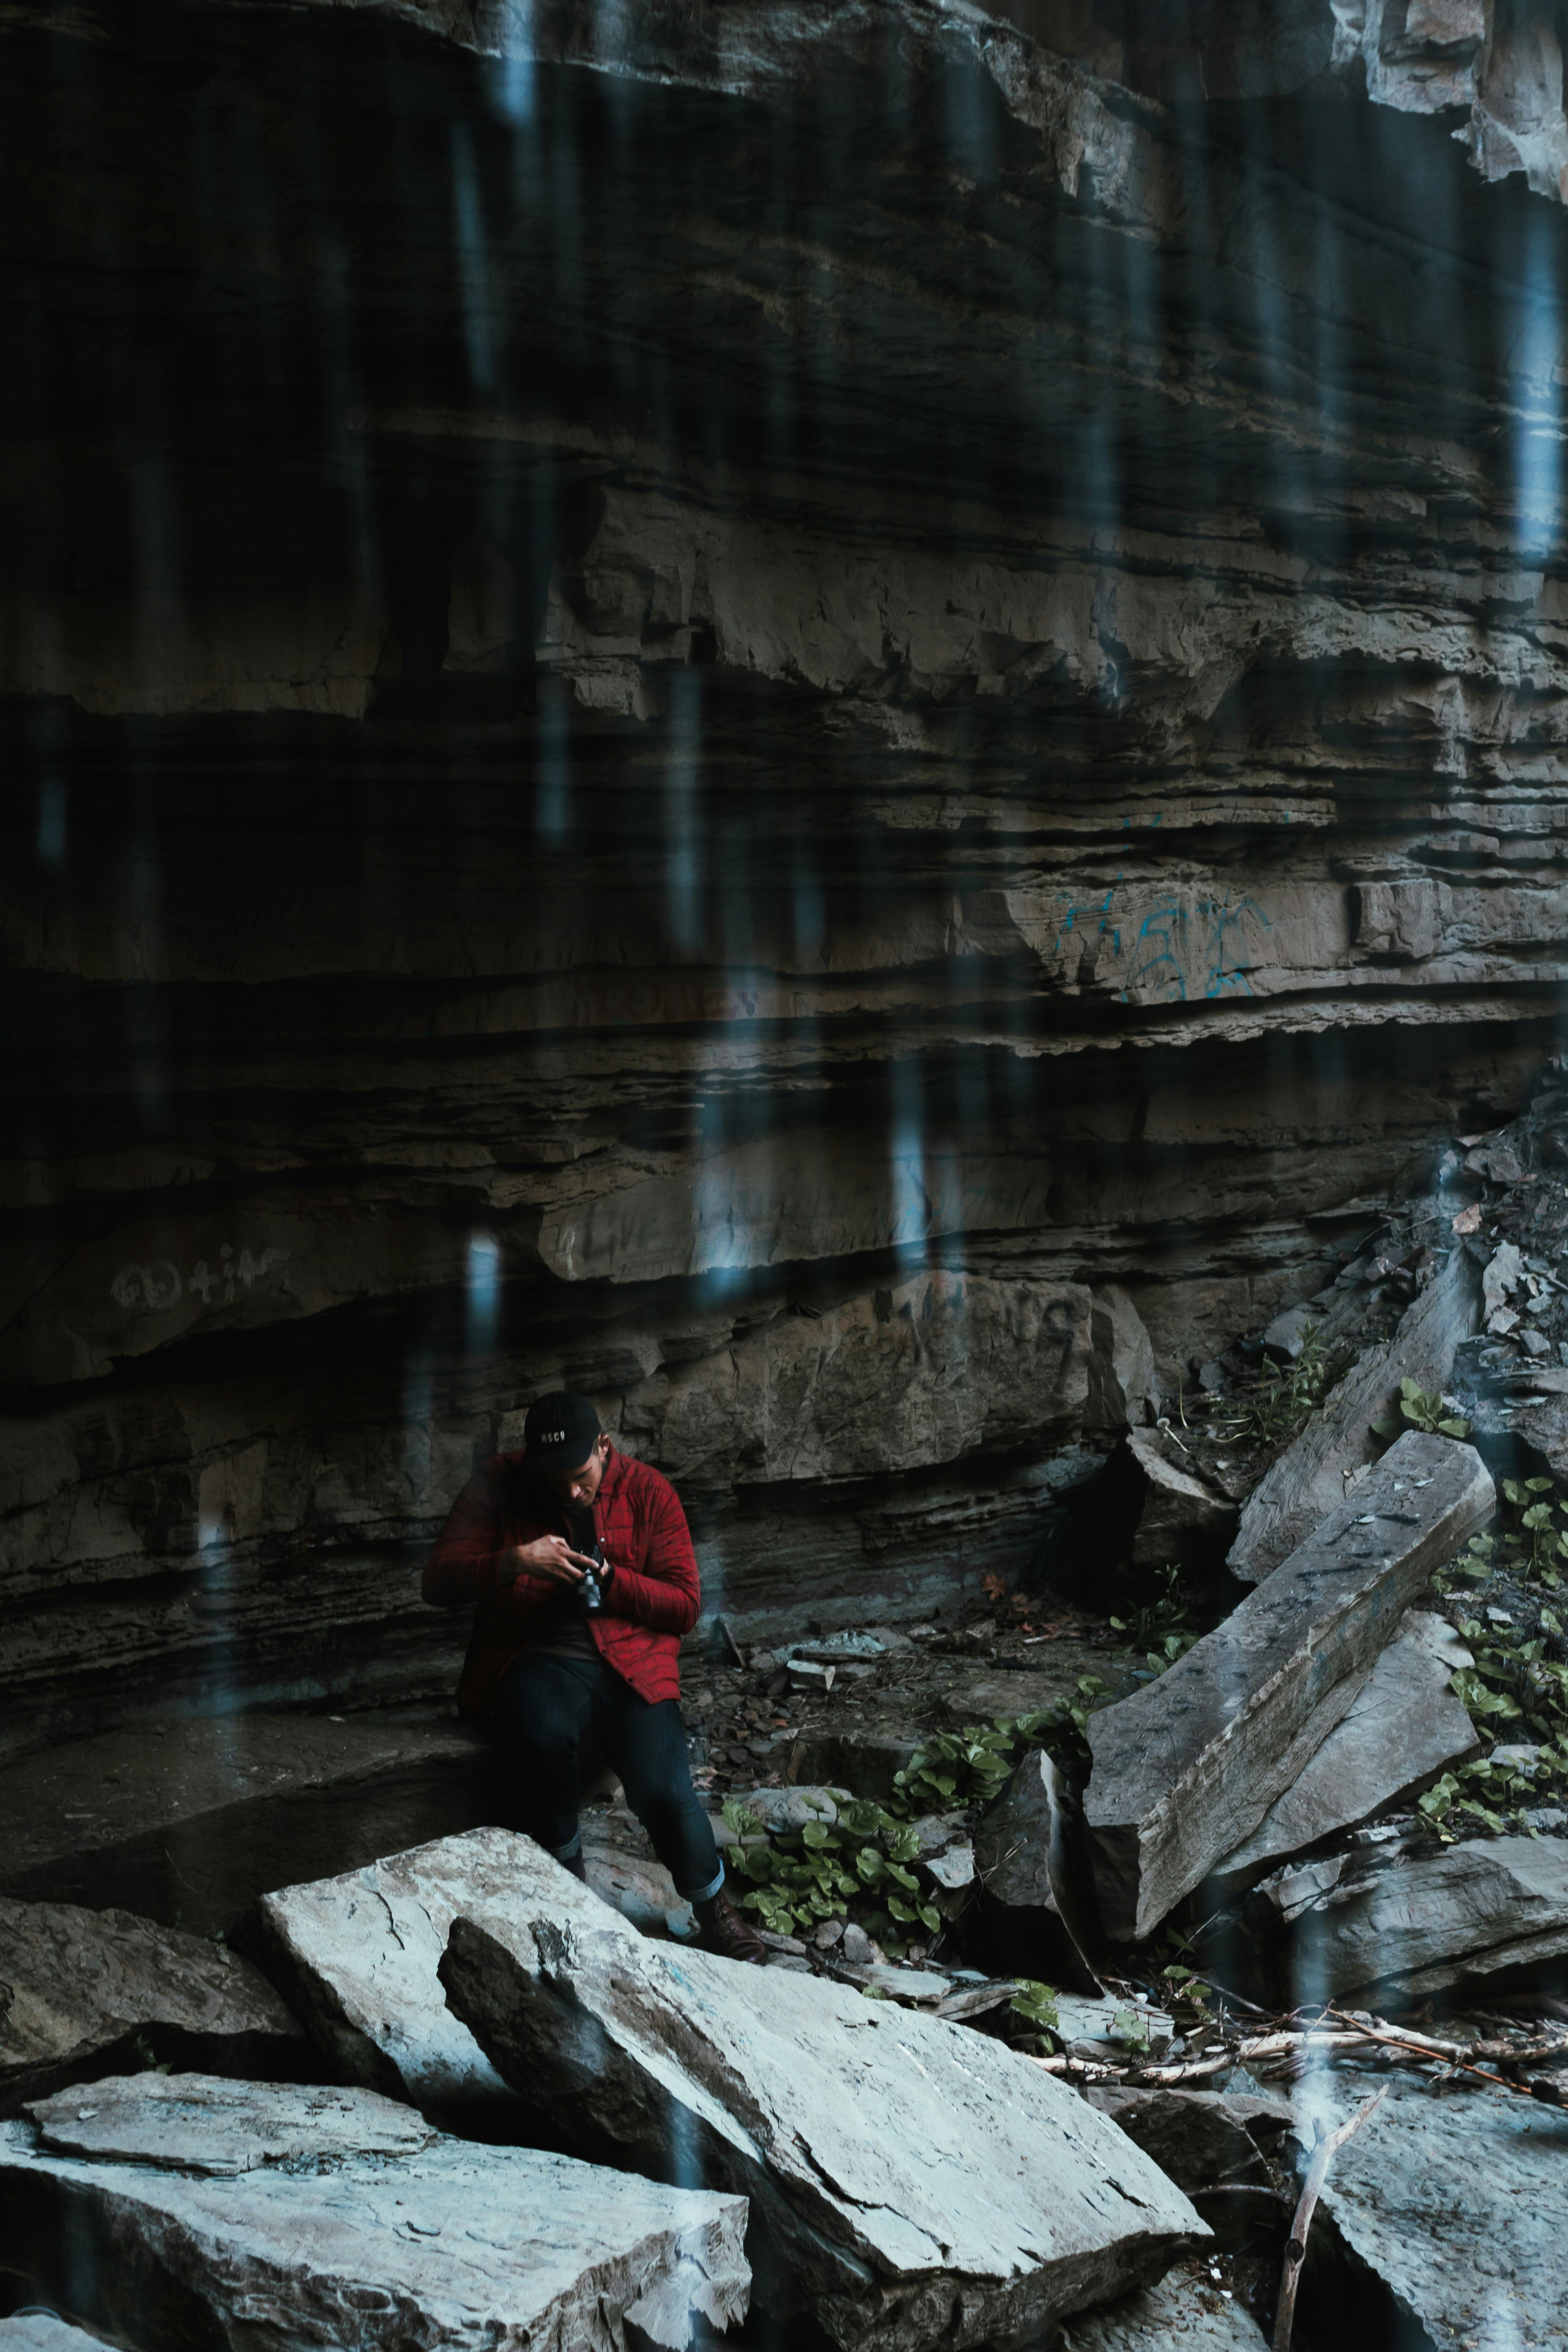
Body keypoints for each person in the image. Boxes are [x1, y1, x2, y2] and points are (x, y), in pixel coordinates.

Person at [422, 1388, 765, 1963]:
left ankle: (714, 1910)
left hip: (634, 1660)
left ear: (604, 1447)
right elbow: (437, 1581)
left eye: (581, 1477)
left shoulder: (649, 1491)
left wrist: (614, 1580)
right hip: (539, 1653)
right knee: (539, 1732)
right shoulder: (500, 1482)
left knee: (664, 1787)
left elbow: (686, 1606)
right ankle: (567, 1878)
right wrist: (514, 1561)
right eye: (555, 1482)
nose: (572, 1493)